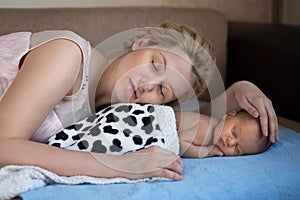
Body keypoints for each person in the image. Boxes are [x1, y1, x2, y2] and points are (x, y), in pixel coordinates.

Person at [0, 21, 278, 181]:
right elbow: (3, 147)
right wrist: (123, 166)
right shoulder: (68, 56)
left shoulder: (109, 114)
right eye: (155, 64)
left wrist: (237, 91)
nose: (147, 84)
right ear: (142, 42)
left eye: (163, 91)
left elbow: (172, 122)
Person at [176, 110, 272, 158]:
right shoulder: (206, 130)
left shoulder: (217, 128)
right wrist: (206, 152)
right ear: (228, 115)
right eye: (234, 133)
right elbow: (179, 144)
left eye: (237, 149)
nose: (231, 142)